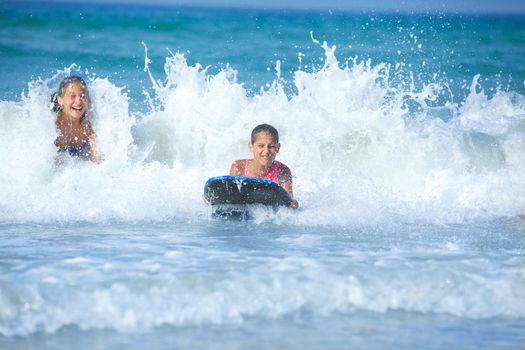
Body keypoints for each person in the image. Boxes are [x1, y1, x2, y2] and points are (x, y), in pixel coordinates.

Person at [230, 124, 299, 208]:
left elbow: (289, 200)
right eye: (261, 146)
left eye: (271, 146)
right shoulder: (239, 167)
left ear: (278, 148)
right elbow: (231, 196)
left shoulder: (282, 171)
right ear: (251, 147)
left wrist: (293, 204)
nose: (266, 151)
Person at [51, 76, 101, 163]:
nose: (78, 101)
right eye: (72, 96)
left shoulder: (89, 126)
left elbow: (97, 161)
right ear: (60, 100)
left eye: (82, 96)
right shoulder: (51, 125)